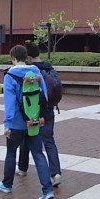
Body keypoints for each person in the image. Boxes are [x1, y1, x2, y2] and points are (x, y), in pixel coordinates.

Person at [0, 45, 54, 199]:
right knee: (38, 154)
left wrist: (7, 124)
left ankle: (7, 184)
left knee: (11, 153)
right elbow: (44, 97)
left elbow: (9, 103)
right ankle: (47, 189)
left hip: (16, 123)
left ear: (13, 58)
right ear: (26, 57)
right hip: (34, 121)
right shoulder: (36, 72)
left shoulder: (9, 76)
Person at [16, 42, 62, 187]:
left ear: (28, 57)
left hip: (34, 111)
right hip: (49, 109)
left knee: (27, 137)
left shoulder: (32, 71)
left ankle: (22, 168)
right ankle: (56, 173)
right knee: (49, 141)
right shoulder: (49, 67)